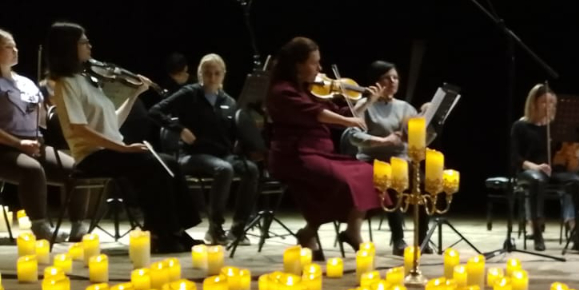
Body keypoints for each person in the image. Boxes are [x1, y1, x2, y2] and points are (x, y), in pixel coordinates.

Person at [46, 21, 199, 251]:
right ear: (69, 47)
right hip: (91, 156)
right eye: (84, 42)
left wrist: (134, 94)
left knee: (168, 162)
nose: (89, 45)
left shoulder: (88, 79)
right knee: (151, 165)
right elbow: (79, 129)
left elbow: (112, 123)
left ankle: (175, 229)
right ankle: (160, 233)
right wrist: (124, 149)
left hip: (111, 151)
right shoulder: (65, 83)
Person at [265, 36, 379, 254]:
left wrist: (368, 102)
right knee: (341, 182)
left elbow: (339, 114)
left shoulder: (309, 89)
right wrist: (347, 121)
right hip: (294, 154)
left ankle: (352, 230)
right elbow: (317, 114)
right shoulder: (282, 90)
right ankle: (309, 232)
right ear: (298, 64)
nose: (320, 68)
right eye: (314, 62)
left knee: (369, 173)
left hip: (321, 153)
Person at [148, 53, 259, 246]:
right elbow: (155, 111)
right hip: (192, 155)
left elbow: (235, 135)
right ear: (200, 74)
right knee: (224, 169)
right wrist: (180, 129)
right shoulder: (189, 93)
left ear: (223, 75)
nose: (212, 78)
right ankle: (215, 228)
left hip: (222, 155)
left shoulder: (229, 101)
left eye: (217, 73)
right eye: (208, 73)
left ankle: (238, 229)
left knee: (251, 169)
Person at [0, 29, 87, 241]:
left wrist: (54, 99)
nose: (15, 50)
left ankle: (78, 226)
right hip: (5, 148)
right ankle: (40, 227)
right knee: (32, 170)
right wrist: (18, 143)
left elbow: (41, 118)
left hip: (34, 144)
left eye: (15, 46)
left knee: (78, 170)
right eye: (9, 47)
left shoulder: (26, 83)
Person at [342, 60, 424, 253]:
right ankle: (398, 240)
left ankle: (422, 239)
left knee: (423, 181)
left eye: (396, 77)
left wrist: (425, 117)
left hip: (402, 159)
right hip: (373, 160)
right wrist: (383, 141)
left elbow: (419, 139)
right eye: (387, 78)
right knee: (395, 180)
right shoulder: (365, 105)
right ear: (376, 82)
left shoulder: (405, 107)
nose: (393, 81)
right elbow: (353, 135)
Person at [509, 84, 579, 251]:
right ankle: (537, 232)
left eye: (552, 103)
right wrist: (535, 167)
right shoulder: (520, 126)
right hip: (528, 171)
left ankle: (578, 234)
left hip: (553, 171)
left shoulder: (556, 127)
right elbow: (515, 158)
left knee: (576, 181)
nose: (549, 106)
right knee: (537, 180)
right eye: (544, 102)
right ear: (533, 103)